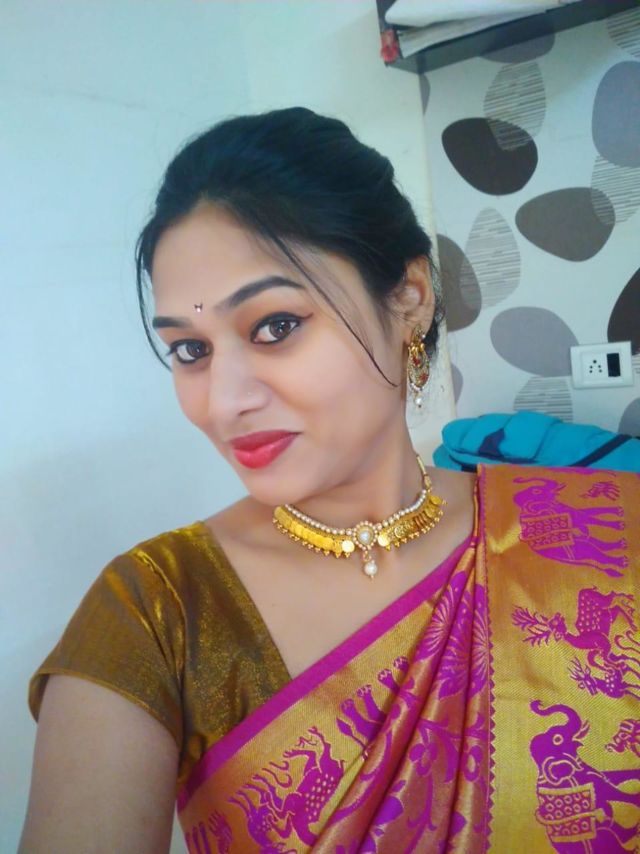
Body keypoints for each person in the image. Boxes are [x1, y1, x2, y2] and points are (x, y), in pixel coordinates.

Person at [20, 107, 640, 853]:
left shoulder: (599, 532)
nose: (223, 402)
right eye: (190, 351)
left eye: (275, 326)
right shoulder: (159, 612)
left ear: (410, 298)